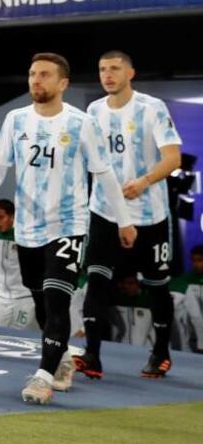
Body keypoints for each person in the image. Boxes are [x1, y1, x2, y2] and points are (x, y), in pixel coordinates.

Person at [0, 52, 136, 405]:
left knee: (56, 297)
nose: (36, 80)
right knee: (40, 302)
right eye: (32, 74)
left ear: (62, 83)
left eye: (45, 75)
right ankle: (62, 358)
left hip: (67, 223)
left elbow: (105, 174)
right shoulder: (15, 119)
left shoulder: (80, 124)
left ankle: (43, 375)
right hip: (28, 227)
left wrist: (124, 220)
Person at [75, 51, 181, 379]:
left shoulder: (152, 109)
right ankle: (92, 354)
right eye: (103, 69)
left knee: (157, 286)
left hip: (149, 216)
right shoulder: (93, 111)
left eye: (115, 69)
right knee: (96, 281)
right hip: (105, 213)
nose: (108, 75)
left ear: (130, 73)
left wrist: (145, 181)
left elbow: (173, 158)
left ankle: (161, 352)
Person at [0, 199, 37, 330]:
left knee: (18, 335)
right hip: (0, 298)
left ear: (12, 217)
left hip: (24, 298)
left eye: (1, 217)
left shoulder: (24, 234)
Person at [170, 246, 203, 353]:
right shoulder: (185, 280)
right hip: (191, 336)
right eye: (193, 260)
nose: (195, 264)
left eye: (199, 260)